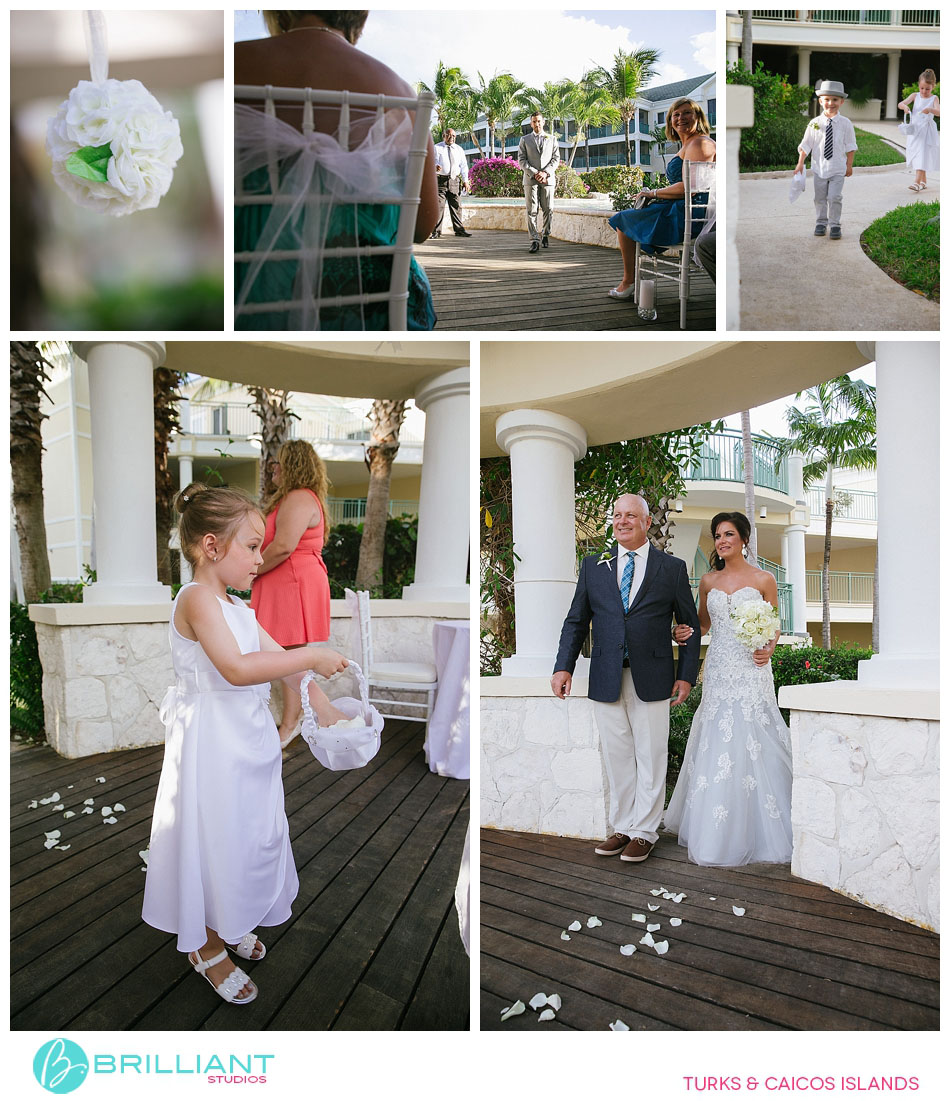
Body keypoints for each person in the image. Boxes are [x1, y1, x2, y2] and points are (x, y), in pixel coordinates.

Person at [142, 484, 353, 1005]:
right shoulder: (195, 600)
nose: (263, 558)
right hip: (211, 746)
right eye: (253, 546)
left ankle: (231, 913)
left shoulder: (237, 605)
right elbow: (237, 669)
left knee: (247, 835)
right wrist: (310, 655)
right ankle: (207, 944)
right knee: (214, 836)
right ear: (212, 547)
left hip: (247, 745)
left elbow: (275, 657)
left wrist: (323, 708)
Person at [234, 11, 438, 330]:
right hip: (372, 306)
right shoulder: (402, 94)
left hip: (246, 300)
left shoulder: (228, 66)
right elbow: (423, 225)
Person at [551, 494, 701, 864]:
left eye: (630, 515)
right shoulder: (593, 567)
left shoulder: (672, 568)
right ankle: (622, 826)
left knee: (650, 754)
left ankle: (645, 831)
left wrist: (686, 676)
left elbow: (689, 625)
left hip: (653, 676)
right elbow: (575, 621)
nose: (622, 521)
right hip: (605, 675)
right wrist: (563, 667)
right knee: (618, 756)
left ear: (647, 522)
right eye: (617, 515)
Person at [664, 512, 793, 867]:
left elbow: (774, 625)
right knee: (719, 739)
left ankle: (763, 827)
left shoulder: (764, 579)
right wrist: (683, 633)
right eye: (717, 535)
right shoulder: (707, 580)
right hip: (720, 668)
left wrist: (768, 646)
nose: (722, 541)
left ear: (744, 539)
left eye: (729, 534)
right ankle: (716, 829)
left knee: (755, 736)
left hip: (752, 669)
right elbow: (702, 625)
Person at [251, 440, 332, 748]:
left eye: (278, 463)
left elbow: (284, 545)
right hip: (286, 580)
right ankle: (292, 721)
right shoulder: (293, 498)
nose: (273, 468)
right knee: (284, 652)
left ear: (292, 465)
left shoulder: (299, 497)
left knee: (288, 654)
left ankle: (290, 724)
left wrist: (253, 570)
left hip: (292, 580)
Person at [607, 98, 716, 299]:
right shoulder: (688, 144)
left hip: (689, 213)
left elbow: (691, 188)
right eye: (676, 115)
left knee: (624, 219)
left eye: (687, 113)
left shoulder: (701, 143)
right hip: (679, 206)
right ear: (670, 121)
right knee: (627, 218)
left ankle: (628, 282)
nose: (680, 118)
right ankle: (630, 281)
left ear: (698, 117)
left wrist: (653, 193)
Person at [794, 79, 857, 241]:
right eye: (827, 99)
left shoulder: (845, 124)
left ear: (841, 102)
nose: (831, 103)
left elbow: (850, 146)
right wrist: (800, 163)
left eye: (835, 99)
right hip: (819, 169)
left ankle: (835, 224)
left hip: (837, 169)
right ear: (821, 101)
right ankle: (821, 222)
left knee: (834, 197)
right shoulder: (814, 123)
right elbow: (806, 144)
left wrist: (849, 166)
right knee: (820, 198)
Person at [517, 111, 560, 253]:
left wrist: (545, 172)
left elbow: (556, 159)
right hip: (531, 180)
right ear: (531, 123)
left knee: (548, 209)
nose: (537, 124)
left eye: (539, 121)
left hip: (548, 179)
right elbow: (522, 160)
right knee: (532, 210)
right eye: (534, 121)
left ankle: (546, 234)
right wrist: (535, 173)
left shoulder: (552, 139)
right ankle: (534, 240)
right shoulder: (525, 139)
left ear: (543, 122)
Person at [897, 69, 940, 193]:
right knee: (918, 153)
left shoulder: (934, 98)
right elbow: (901, 103)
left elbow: (940, 112)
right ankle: (923, 181)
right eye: (922, 88)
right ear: (918, 85)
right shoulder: (915, 96)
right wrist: (904, 106)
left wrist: (930, 109)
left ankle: (916, 182)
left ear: (933, 86)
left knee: (922, 153)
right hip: (915, 131)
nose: (924, 91)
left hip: (926, 131)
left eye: (927, 89)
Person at [432, 128, 473, 238]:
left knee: (456, 206)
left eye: (454, 136)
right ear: (444, 136)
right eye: (449, 135)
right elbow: (430, 162)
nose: (451, 137)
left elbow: (464, 166)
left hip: (454, 181)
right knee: (439, 207)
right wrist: (435, 166)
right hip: (440, 180)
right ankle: (436, 232)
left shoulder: (459, 149)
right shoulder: (436, 148)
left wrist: (466, 181)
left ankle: (459, 230)